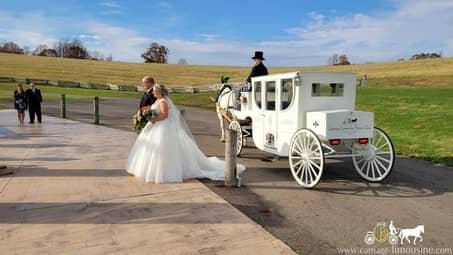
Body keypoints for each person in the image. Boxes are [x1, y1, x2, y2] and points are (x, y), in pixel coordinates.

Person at [126, 84, 245, 183]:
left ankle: (164, 172)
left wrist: (154, 119)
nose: (153, 93)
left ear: (160, 92)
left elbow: (165, 115)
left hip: (162, 126)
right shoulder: (158, 100)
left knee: (163, 149)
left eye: (155, 91)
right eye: (153, 91)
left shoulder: (162, 101)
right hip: (157, 126)